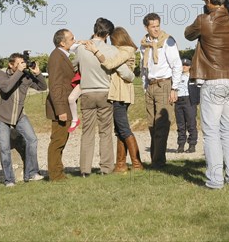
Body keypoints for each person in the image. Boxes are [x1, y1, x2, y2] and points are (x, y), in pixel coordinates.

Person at [185, 0, 229, 189]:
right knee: (228, 129)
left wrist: (205, 14)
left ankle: (215, 180)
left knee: (211, 132)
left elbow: (188, 34)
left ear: (208, 0)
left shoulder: (204, 20)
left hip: (214, 79)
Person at [75, 18, 134, 176]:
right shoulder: (112, 50)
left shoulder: (81, 49)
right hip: (104, 92)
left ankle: (85, 170)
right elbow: (123, 71)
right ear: (107, 33)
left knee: (87, 132)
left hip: (86, 92)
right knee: (105, 132)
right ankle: (106, 168)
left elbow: (75, 66)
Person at [85, 27, 143, 172]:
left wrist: (96, 51)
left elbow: (111, 64)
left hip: (120, 92)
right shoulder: (125, 50)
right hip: (120, 91)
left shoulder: (125, 51)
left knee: (123, 128)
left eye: (111, 40)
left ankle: (137, 164)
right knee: (119, 129)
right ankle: (121, 164)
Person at [0, 53, 47, 186]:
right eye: (18, 64)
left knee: (32, 139)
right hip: (1, 117)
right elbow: (6, 88)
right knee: (4, 149)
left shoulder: (25, 75)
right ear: (11, 65)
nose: (22, 66)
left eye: (23, 63)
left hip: (19, 116)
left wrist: (38, 73)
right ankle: (9, 180)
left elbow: (42, 87)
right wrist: (19, 72)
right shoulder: (1, 74)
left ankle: (32, 172)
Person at [140, 13, 183, 169]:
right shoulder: (144, 44)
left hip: (164, 84)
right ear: (146, 27)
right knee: (151, 124)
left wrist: (174, 88)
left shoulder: (167, 41)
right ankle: (155, 159)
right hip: (150, 85)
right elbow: (143, 67)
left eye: (158, 25)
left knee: (161, 124)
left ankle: (158, 162)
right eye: (153, 26)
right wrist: (145, 87)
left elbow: (177, 65)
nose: (156, 29)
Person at [46, 28, 76, 181]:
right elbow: (55, 85)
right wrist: (60, 110)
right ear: (62, 42)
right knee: (58, 141)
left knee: (61, 140)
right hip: (61, 106)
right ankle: (55, 175)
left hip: (64, 105)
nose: (74, 40)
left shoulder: (62, 55)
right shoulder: (57, 57)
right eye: (71, 38)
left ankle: (58, 172)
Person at [174, 58, 199, 153]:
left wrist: (196, 101)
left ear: (190, 67)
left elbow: (198, 89)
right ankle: (181, 145)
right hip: (178, 101)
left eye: (186, 65)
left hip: (189, 100)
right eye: (182, 65)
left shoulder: (193, 77)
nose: (184, 67)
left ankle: (192, 145)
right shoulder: (176, 77)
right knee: (180, 124)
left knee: (191, 124)